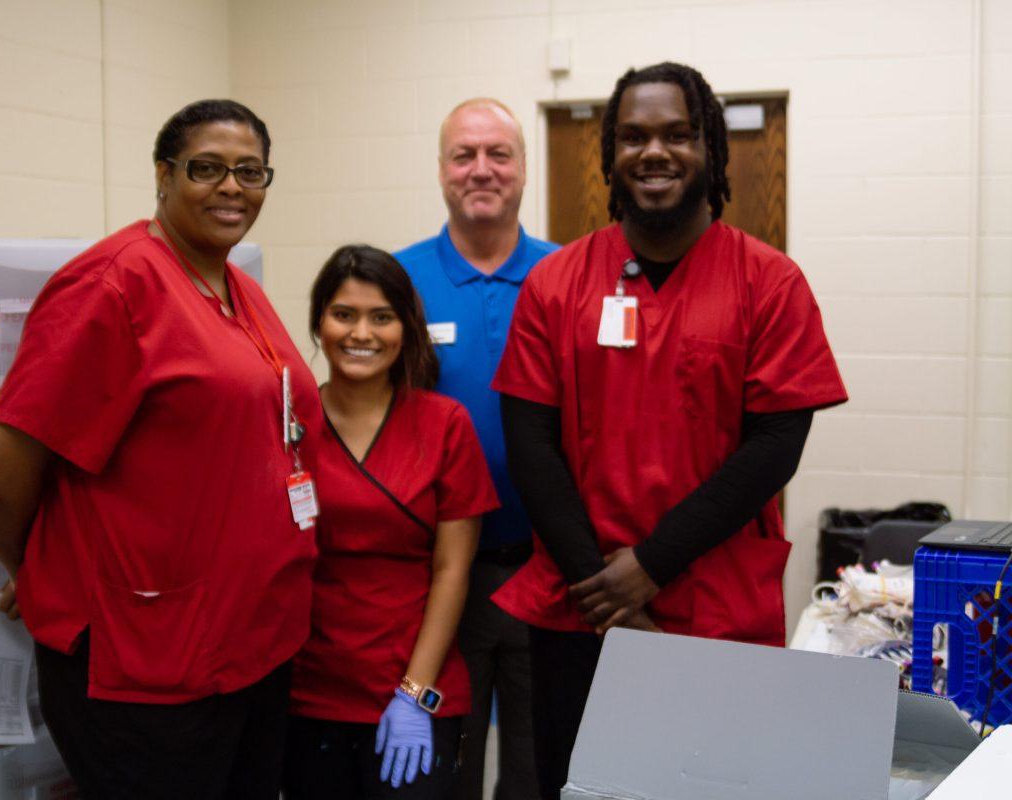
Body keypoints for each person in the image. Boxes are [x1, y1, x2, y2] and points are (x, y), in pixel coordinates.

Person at [491, 62, 849, 800]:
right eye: (633, 136)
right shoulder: (556, 284)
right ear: (611, 156)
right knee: (579, 787)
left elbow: (775, 447)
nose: (654, 151)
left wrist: (649, 565)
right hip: (579, 608)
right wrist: (605, 592)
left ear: (709, 149)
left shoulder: (768, 282)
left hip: (713, 613)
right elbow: (530, 444)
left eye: (677, 134)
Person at [0, 99, 321, 800]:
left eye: (250, 172)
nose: (232, 187)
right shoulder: (113, 285)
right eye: (207, 168)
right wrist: (40, 573)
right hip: (152, 660)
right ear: (163, 176)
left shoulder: (237, 286)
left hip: (250, 640)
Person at [283, 245, 500, 800]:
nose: (362, 333)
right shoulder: (287, 426)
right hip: (310, 692)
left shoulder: (445, 424)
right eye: (343, 314)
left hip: (415, 688)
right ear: (318, 323)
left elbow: (453, 570)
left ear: (406, 327)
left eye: (382, 317)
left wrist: (414, 693)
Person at [395, 98, 555, 800]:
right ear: (441, 170)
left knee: (537, 766)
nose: (481, 170)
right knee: (441, 768)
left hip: (549, 576)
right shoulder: (397, 283)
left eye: (499, 154)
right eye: (465, 155)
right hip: (433, 584)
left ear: (524, 169)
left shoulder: (567, 276)